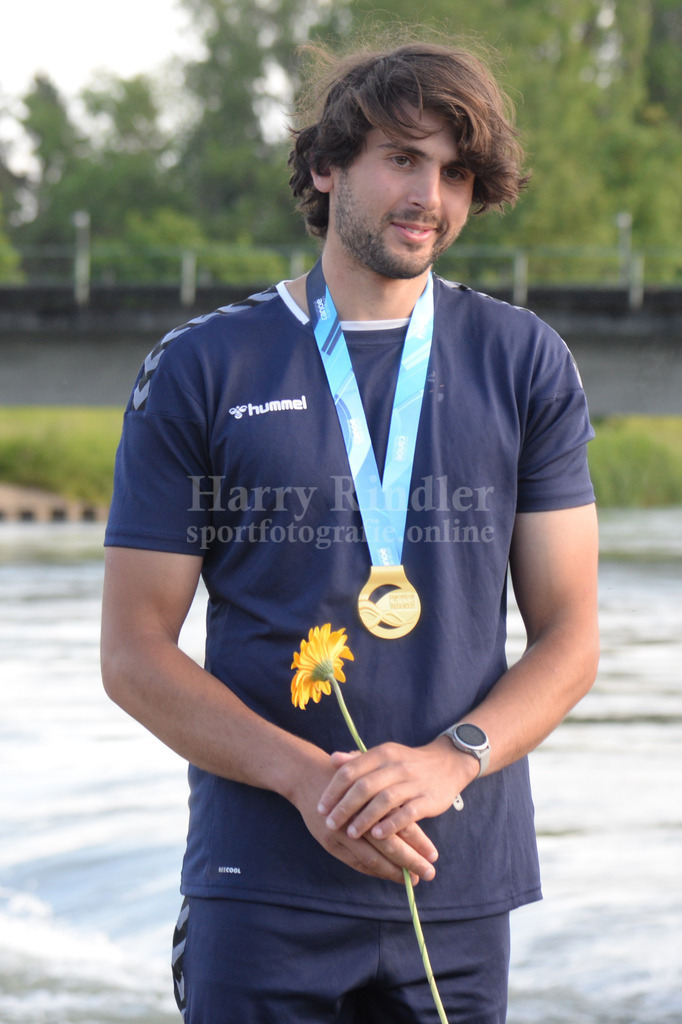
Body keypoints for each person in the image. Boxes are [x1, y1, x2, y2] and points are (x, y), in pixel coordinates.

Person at [100, 35, 599, 1024]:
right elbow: (133, 653)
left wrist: (449, 757)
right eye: (402, 159)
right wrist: (308, 781)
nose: (430, 196)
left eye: (455, 173)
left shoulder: (523, 360)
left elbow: (572, 636)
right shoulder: (206, 367)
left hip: (454, 886)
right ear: (327, 166)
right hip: (262, 883)